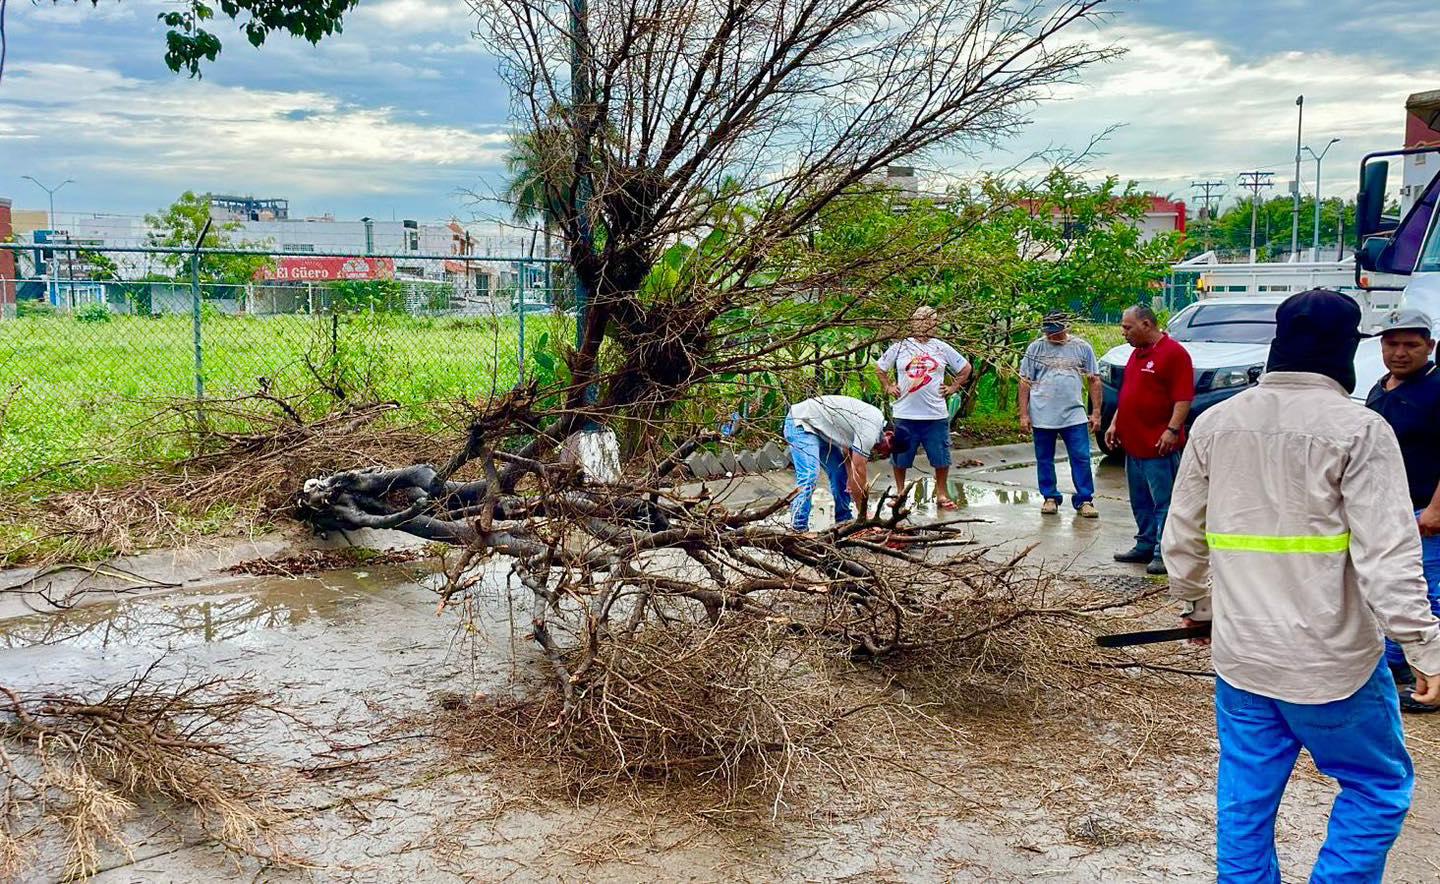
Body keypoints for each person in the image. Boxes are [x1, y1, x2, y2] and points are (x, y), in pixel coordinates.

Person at [1163, 289, 1440, 884]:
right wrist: (1424, 646)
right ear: (1345, 350)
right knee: (1376, 785)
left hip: (1242, 658)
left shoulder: (1216, 423)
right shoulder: (1359, 429)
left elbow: (1182, 539)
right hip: (1332, 666)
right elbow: (1388, 558)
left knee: (1245, 799)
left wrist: (1198, 608)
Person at [1364, 307, 1440, 714]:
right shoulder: (1380, 388)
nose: (1400, 353)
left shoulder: (1436, 388)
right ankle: (1397, 666)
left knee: (1425, 593)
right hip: (1384, 510)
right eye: (1392, 344)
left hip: (1424, 512)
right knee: (1388, 589)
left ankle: (1428, 677)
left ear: (1430, 346)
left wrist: (1435, 510)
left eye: (1411, 345)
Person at [1105, 304, 1194, 575]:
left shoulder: (1174, 354)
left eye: (1127, 327)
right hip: (1134, 445)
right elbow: (1129, 394)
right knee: (1140, 501)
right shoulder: (1137, 354)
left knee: (1163, 503)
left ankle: (1163, 552)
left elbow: (1183, 398)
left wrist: (1172, 430)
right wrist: (1115, 423)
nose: (1123, 332)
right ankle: (1144, 544)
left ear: (1146, 324)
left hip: (1158, 446)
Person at [875, 306, 971, 509]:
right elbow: (880, 368)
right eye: (920, 319)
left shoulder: (941, 348)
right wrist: (888, 386)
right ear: (912, 323)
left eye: (930, 320)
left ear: (935, 324)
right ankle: (900, 492)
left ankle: (942, 493)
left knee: (941, 456)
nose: (925, 324)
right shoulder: (901, 347)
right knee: (900, 456)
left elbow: (965, 368)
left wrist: (953, 387)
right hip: (905, 413)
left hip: (935, 415)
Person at [1019, 312, 1101, 518]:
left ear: (1065, 328)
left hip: (1074, 414)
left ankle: (1085, 499)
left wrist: (1096, 412)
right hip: (1042, 413)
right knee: (1044, 458)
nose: (1051, 336)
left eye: (1055, 332)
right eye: (1048, 332)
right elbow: (1025, 381)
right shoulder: (1035, 348)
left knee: (1081, 457)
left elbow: (1094, 380)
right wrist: (1024, 414)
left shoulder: (1082, 347)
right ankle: (1050, 497)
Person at [784, 394, 890, 532]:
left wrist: (850, 475)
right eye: (889, 450)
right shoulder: (871, 429)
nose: (884, 454)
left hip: (822, 431)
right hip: (802, 422)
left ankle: (843, 520)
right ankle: (798, 528)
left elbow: (847, 448)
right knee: (809, 475)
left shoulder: (874, 421)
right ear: (889, 435)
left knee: (840, 474)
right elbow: (859, 471)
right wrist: (864, 514)